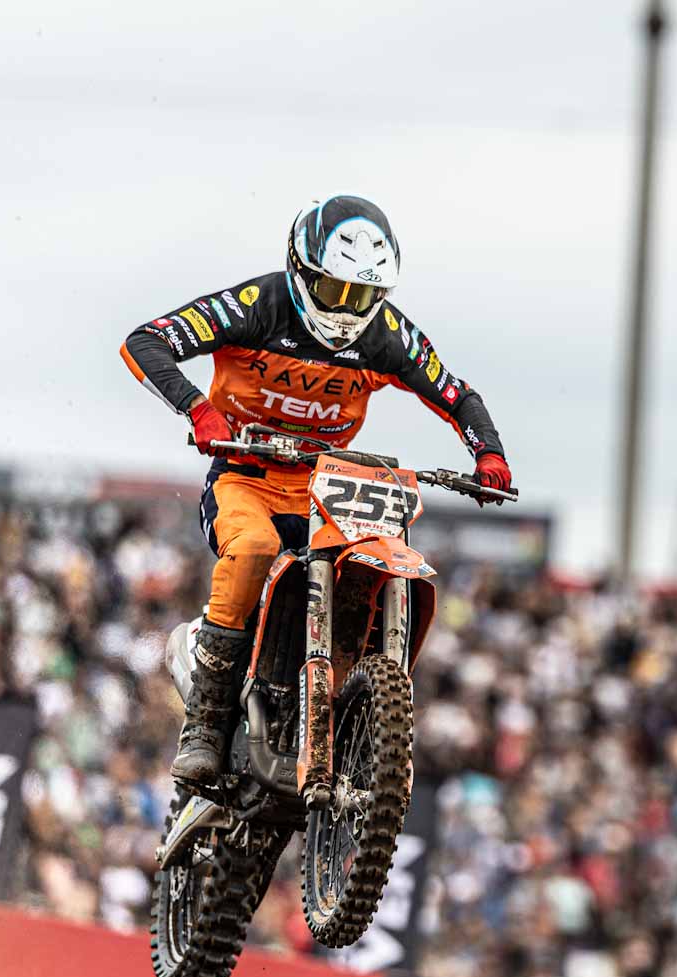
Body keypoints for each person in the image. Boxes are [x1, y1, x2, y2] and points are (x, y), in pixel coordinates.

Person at [119, 195, 513, 785]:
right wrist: (197, 408)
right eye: (335, 290)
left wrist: (488, 453)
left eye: (364, 295)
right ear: (301, 271)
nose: (348, 309)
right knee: (252, 549)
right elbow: (146, 341)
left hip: (325, 488)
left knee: (369, 566)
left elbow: (456, 394)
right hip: (246, 476)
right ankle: (205, 721)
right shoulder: (256, 305)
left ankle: (351, 713)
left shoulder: (388, 335)